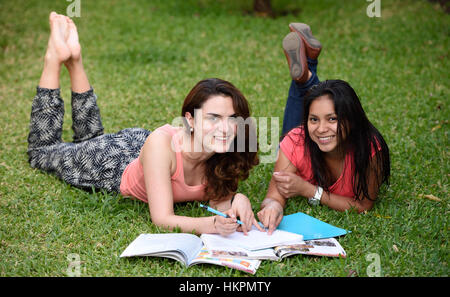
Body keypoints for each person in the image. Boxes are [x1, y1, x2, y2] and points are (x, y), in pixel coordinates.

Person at [27, 12, 264, 236]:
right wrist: (210, 224)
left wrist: (237, 200)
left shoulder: (226, 150)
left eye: (232, 119)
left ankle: (75, 60)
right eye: (213, 118)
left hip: (146, 148)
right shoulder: (165, 148)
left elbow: (220, 201)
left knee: (88, 138)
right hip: (114, 162)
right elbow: (162, 218)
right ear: (190, 120)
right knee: (43, 152)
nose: (225, 128)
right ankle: (53, 58)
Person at [257, 23, 391, 234]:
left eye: (332, 119)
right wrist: (272, 207)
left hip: (308, 150)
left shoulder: (369, 148)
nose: (321, 128)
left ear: (351, 120)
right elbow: (274, 195)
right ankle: (307, 75)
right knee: (297, 131)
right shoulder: (296, 140)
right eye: (313, 120)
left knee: (314, 103)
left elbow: (364, 206)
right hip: (300, 142)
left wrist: (308, 189)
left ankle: (306, 76)